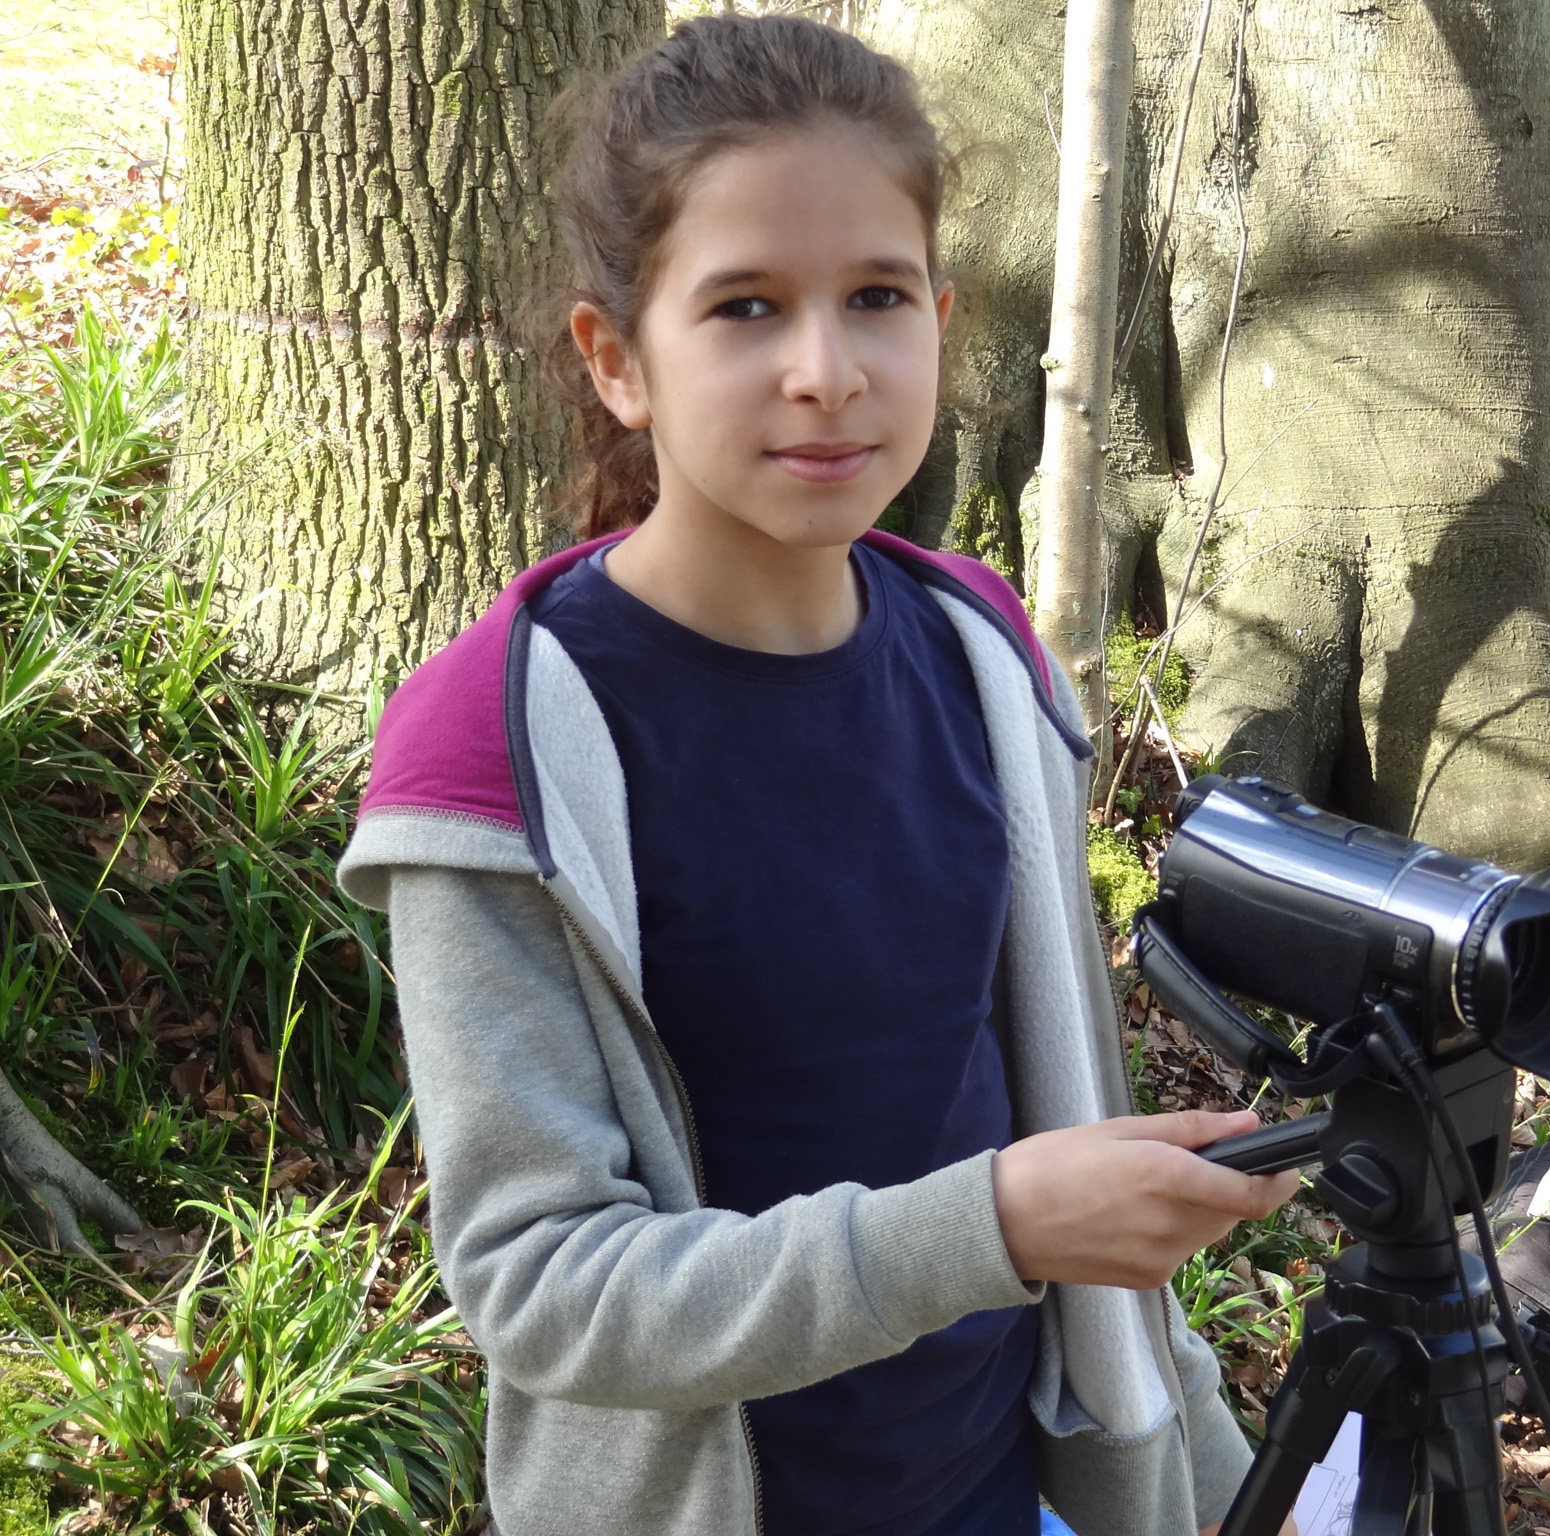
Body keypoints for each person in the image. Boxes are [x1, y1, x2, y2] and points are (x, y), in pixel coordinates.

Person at [337, 14, 1301, 1536]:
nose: (827, 373)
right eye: (744, 308)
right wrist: (992, 1227)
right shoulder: (499, 746)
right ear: (618, 361)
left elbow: (1042, 1097)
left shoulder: (987, 661)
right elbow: (542, 1286)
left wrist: (1206, 1468)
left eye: (876, 297)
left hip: (1000, 1491)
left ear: (942, 318)